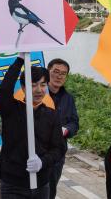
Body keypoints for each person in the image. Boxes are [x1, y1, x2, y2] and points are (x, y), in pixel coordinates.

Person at [0, 57, 65, 199]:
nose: (39, 90)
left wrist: (43, 162)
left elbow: (59, 148)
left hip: (41, 185)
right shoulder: (11, 109)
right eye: (33, 85)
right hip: (12, 185)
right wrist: (20, 59)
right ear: (23, 88)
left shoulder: (51, 115)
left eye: (43, 85)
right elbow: (4, 89)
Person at [46, 58, 79, 199]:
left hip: (57, 154)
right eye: (56, 72)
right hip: (36, 152)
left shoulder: (68, 98)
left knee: (50, 191)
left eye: (63, 74)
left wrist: (66, 130)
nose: (59, 76)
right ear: (48, 72)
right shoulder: (37, 93)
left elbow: (74, 122)